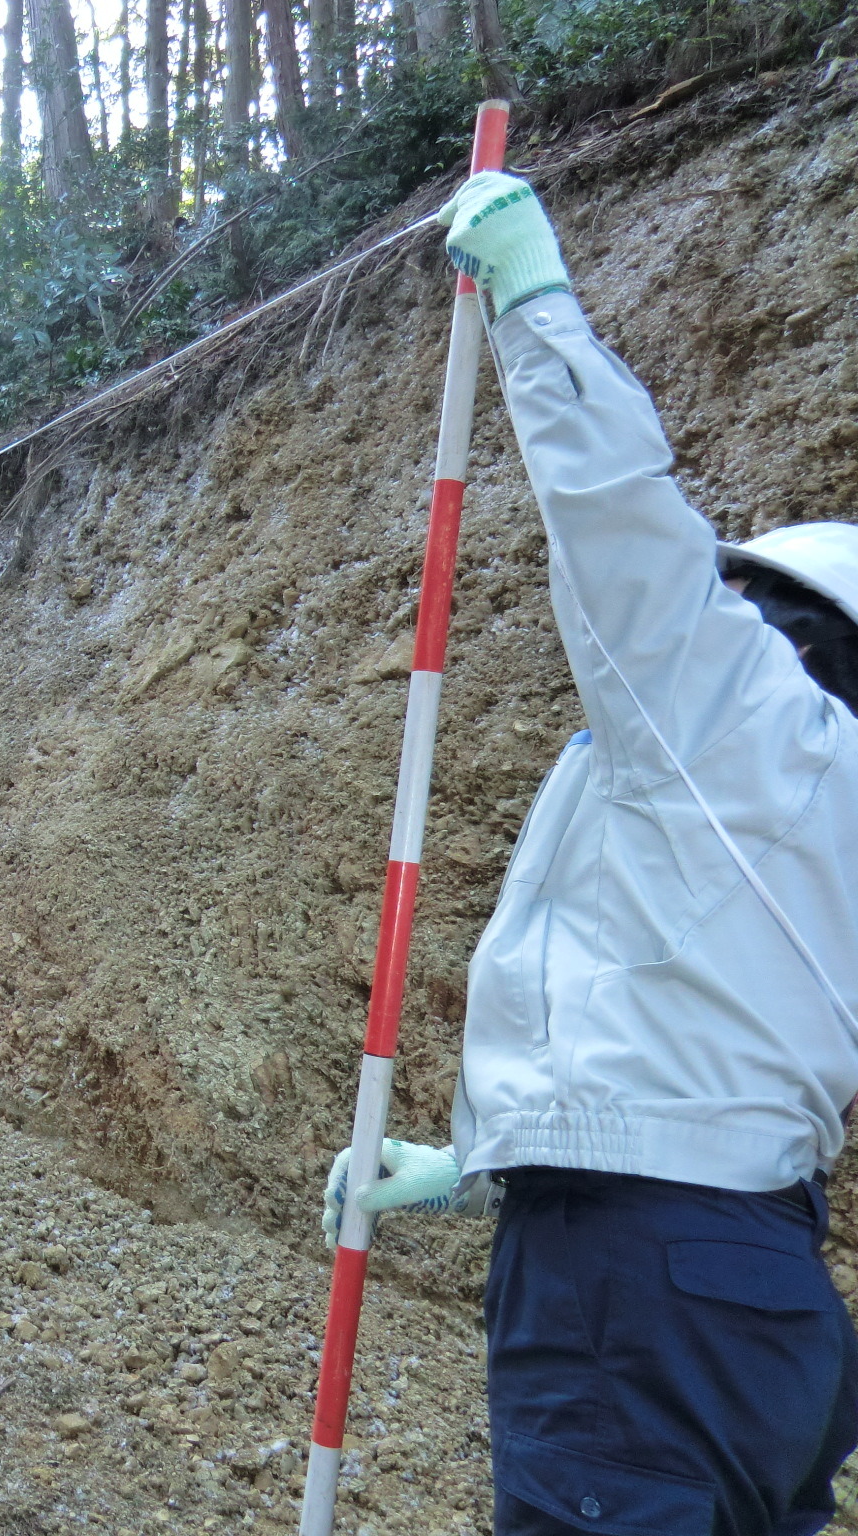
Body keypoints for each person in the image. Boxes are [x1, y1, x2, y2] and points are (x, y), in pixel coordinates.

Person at [322, 170, 858, 1535]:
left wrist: (535, 300)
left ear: (785, 617)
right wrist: (485, 1158)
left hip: (639, 1292)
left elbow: (622, 520)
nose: (717, 607)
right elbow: (721, 1031)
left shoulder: (743, 707)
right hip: (767, 1295)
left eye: (741, 595)